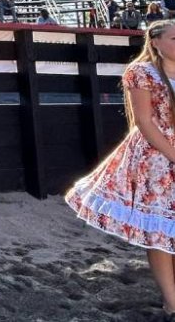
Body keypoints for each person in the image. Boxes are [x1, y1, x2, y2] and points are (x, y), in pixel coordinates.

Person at [65, 19, 175, 321]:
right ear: (156, 42)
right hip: (156, 157)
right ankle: (171, 302)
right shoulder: (141, 73)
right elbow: (144, 121)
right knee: (159, 229)